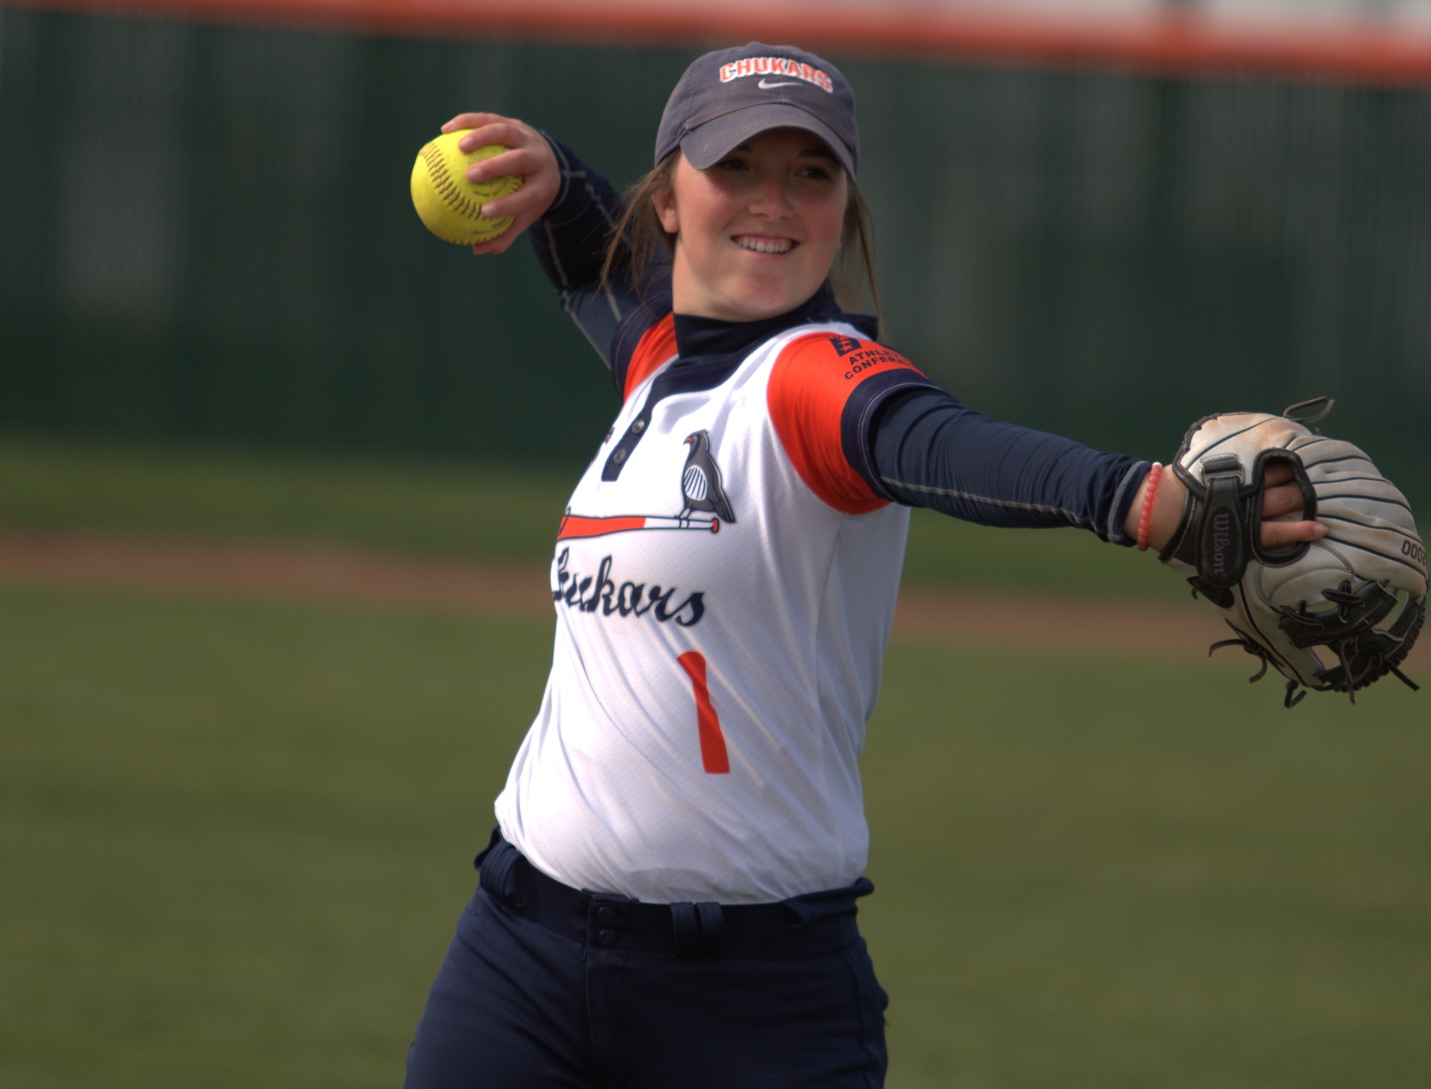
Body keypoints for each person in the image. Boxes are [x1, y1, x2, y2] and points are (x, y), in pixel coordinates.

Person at [403, 42, 1324, 1089]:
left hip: (750, 1003)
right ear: (668, 199)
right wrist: (561, 178)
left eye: (811, 172)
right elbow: (593, 266)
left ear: (845, 203)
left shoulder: (814, 378)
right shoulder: (657, 362)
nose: (775, 201)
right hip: (520, 953)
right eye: (736, 166)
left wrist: (1144, 502)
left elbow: (937, 443)